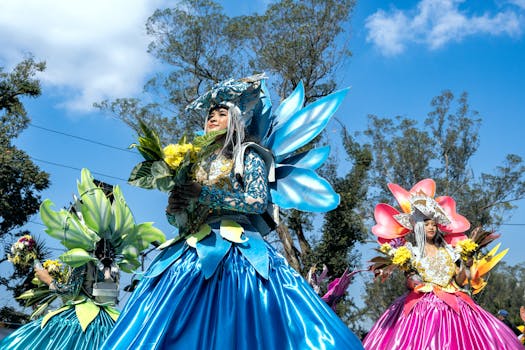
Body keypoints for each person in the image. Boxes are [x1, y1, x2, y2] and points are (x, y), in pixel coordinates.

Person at [101, 76, 363, 349]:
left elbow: (257, 202)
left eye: (221, 113)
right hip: (191, 251)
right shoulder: (195, 163)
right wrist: (176, 209)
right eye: (209, 114)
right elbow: (183, 221)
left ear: (237, 120)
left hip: (238, 254)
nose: (212, 118)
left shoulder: (248, 155)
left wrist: (203, 193)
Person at [0, 169, 164, 350]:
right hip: (111, 320)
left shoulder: (86, 253)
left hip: (81, 321)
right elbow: (108, 292)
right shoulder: (111, 252)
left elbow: (70, 292)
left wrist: (48, 279)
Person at [362, 179, 523, 350]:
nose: (431, 227)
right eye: (426, 223)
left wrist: (467, 265)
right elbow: (409, 283)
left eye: (434, 224)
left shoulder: (450, 251)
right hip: (422, 309)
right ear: (418, 226)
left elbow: (460, 282)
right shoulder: (410, 252)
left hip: (453, 304)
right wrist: (410, 274)